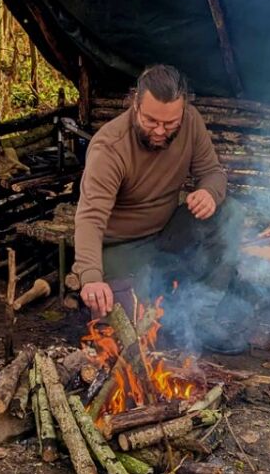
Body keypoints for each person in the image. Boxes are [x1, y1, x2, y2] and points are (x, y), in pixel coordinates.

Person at [72, 65, 249, 354]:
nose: (159, 131)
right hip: (121, 246)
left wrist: (209, 192)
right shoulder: (110, 147)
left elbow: (213, 172)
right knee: (126, 342)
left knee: (230, 213)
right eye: (151, 120)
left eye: (170, 124)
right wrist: (91, 277)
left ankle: (202, 318)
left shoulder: (190, 122)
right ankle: (146, 298)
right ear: (135, 103)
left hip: (167, 233)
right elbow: (90, 218)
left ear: (183, 111)